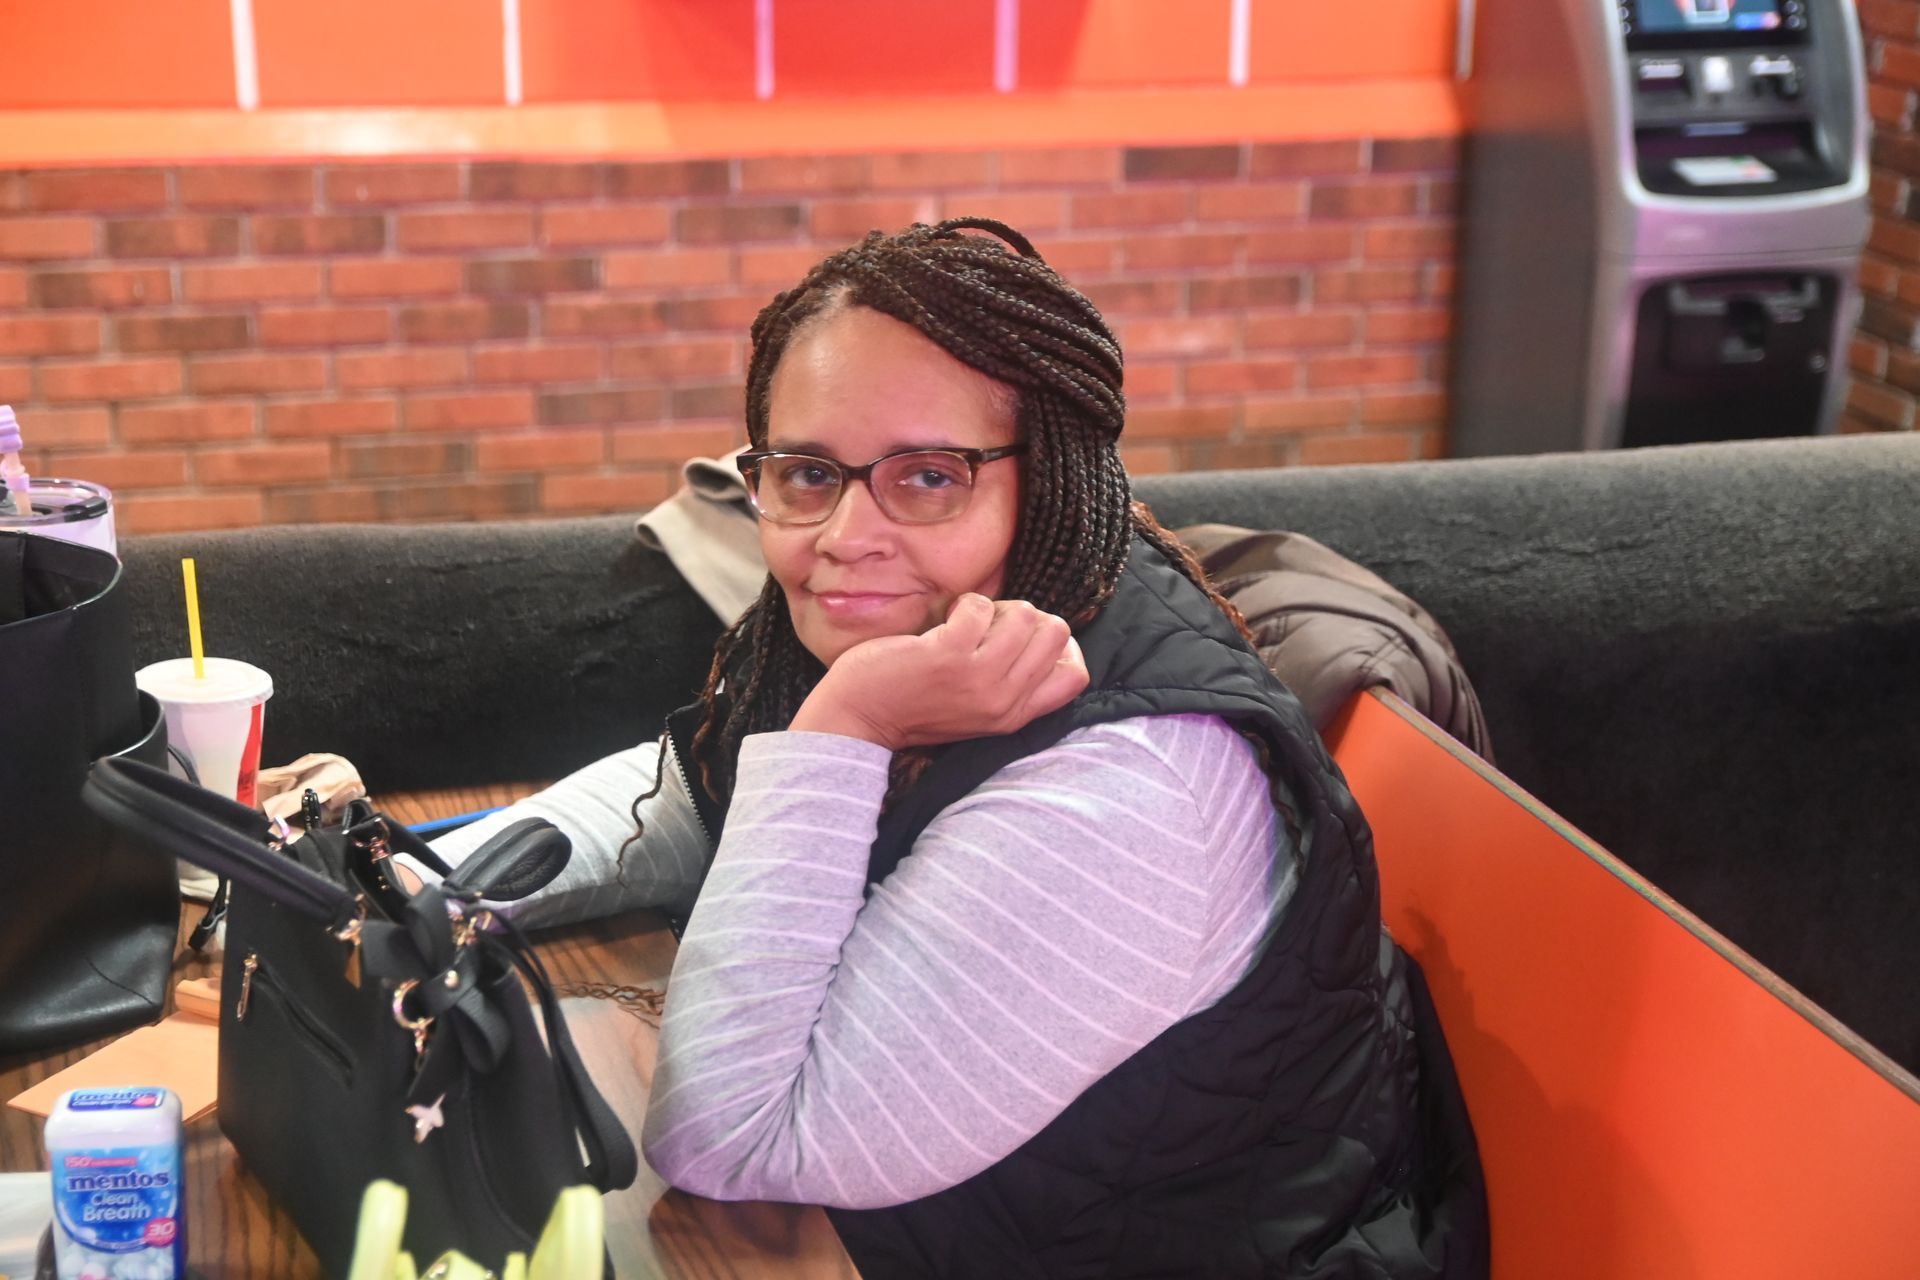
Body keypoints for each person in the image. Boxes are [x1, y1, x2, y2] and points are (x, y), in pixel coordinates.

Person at [428, 218, 1488, 1278]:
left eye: (929, 476)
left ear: (1051, 479)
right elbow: (689, 801)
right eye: (807, 473)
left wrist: (847, 727)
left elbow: (732, 1137)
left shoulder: (1134, 792)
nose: (845, 536)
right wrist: (413, 886)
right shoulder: (916, 618)